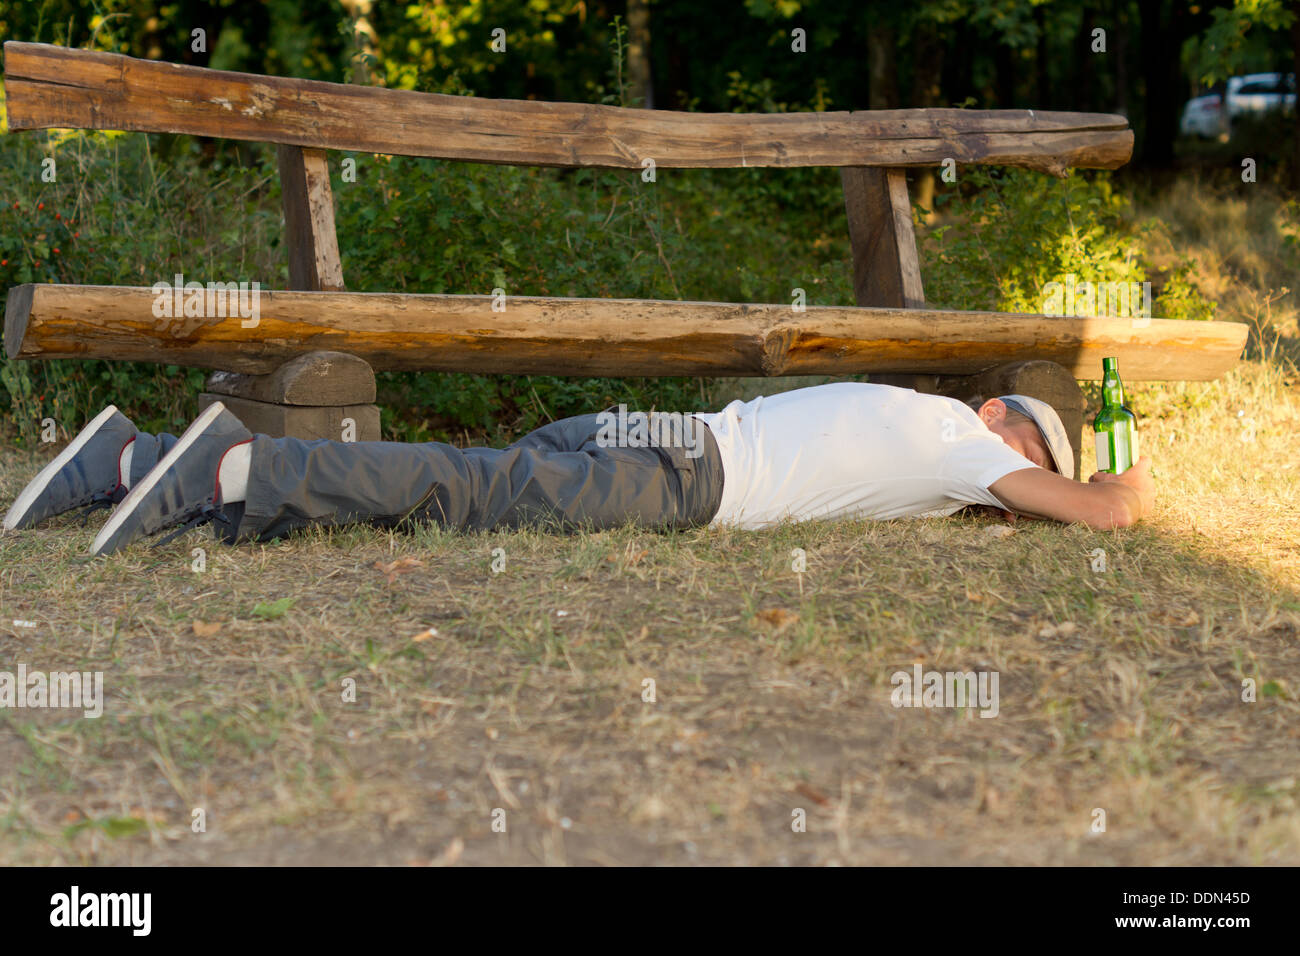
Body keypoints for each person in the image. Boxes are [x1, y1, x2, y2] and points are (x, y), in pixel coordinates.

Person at [2, 381, 1155, 556]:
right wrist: (1120, 472)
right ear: (1007, 422)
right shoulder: (960, 433)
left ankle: (193, 481)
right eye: (1025, 460)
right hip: (689, 478)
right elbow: (1102, 512)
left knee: (477, 481)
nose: (1013, 498)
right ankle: (224, 467)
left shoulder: (908, 410)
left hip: (642, 428)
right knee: (464, 488)